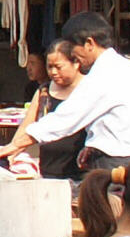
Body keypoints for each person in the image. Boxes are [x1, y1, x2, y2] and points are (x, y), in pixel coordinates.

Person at [0, 12, 130, 171]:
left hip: (114, 162)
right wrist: (92, 146)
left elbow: (66, 117)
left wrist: (16, 144)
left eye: (74, 49)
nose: (74, 57)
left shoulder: (104, 74)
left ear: (89, 44)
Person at [15, 38, 87, 179]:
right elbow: (26, 127)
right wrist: (11, 150)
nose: (53, 72)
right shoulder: (44, 91)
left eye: (58, 67)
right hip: (48, 171)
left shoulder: (89, 89)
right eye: (49, 66)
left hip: (81, 173)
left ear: (76, 63)